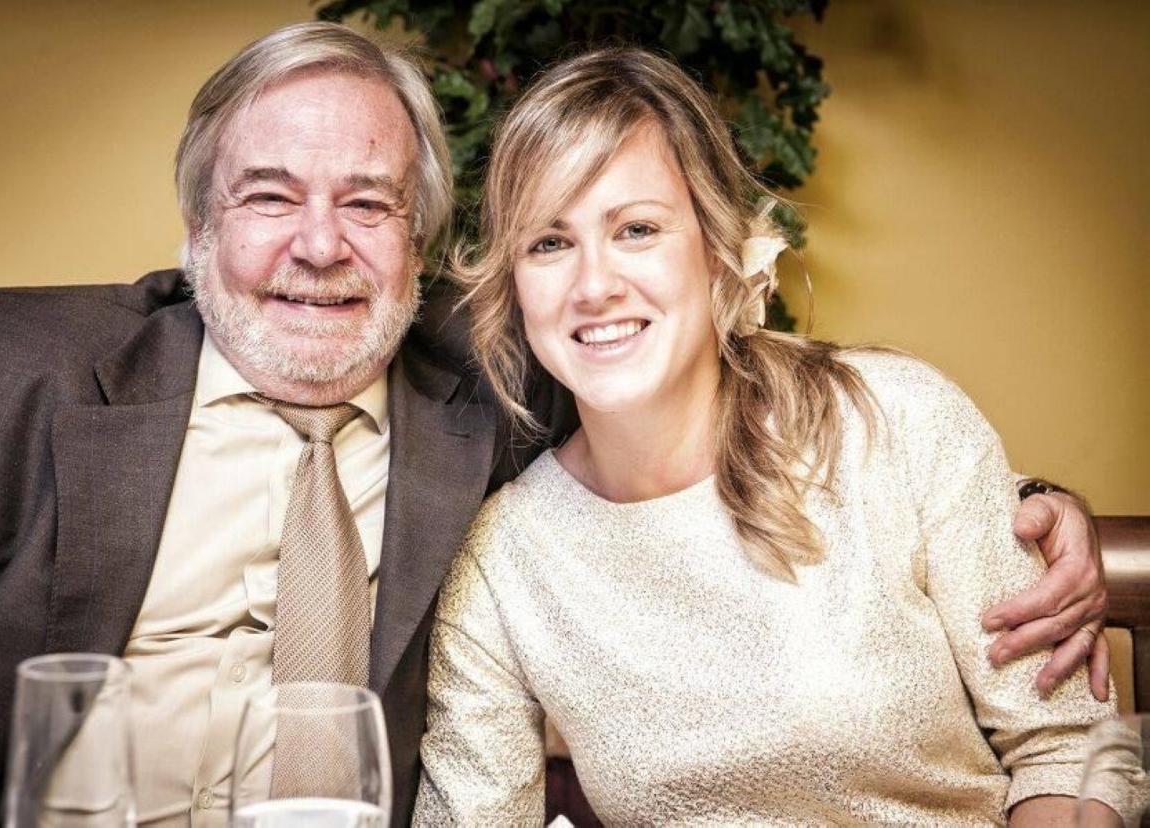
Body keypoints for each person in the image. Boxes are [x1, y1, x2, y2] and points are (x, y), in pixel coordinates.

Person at [0, 22, 1106, 828]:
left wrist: (1028, 510)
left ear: (421, 249)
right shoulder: (16, 371)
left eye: (367, 203)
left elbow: (744, 414)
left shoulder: (487, 401)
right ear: (196, 227)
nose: (319, 247)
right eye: (268, 196)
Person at [413, 48, 1127, 825]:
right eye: (549, 242)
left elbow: (1066, 754)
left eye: (638, 229)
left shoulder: (895, 422)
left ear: (717, 251)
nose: (593, 286)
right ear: (513, 286)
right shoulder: (505, 558)